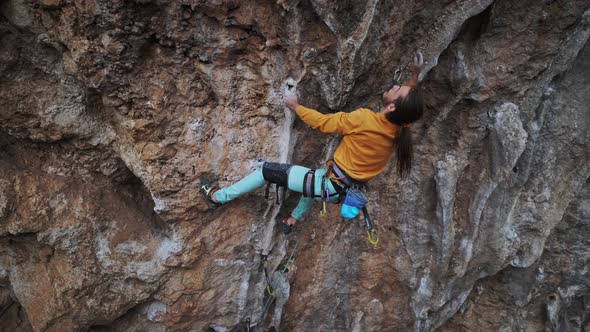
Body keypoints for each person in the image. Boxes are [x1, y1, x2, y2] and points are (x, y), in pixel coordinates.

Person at [201, 52, 425, 233]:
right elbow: (409, 110)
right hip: (342, 189)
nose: (395, 86)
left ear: (393, 107)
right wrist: (414, 78)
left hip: (329, 184)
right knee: (311, 183)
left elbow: (323, 122)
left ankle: (218, 197)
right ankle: (292, 221)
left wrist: (295, 106)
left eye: (399, 89)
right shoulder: (399, 132)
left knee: (266, 172)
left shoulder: (364, 119)